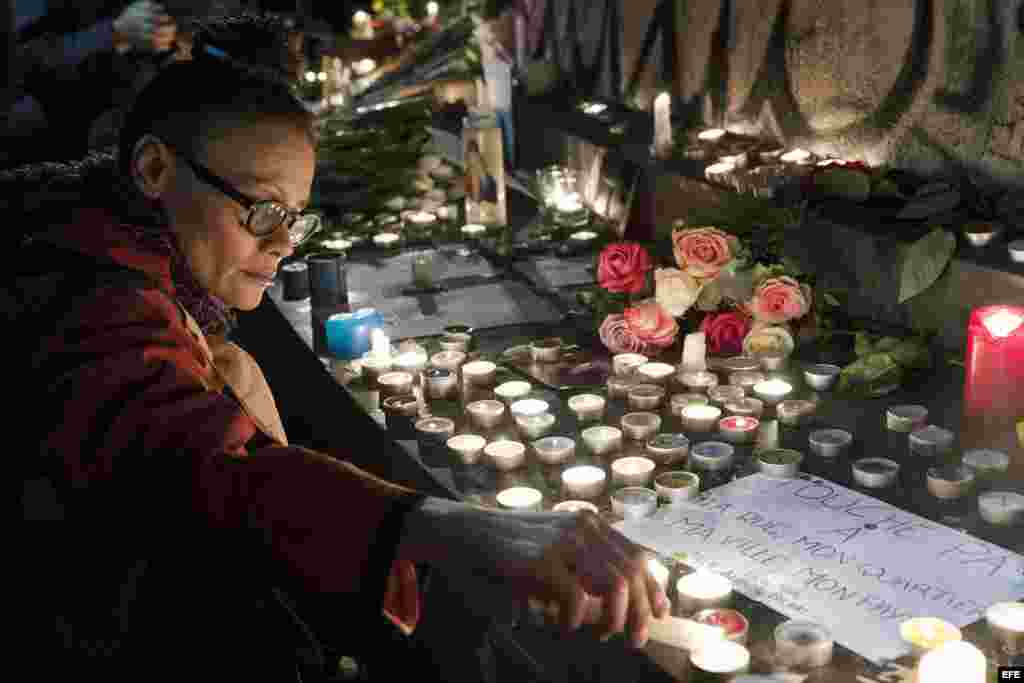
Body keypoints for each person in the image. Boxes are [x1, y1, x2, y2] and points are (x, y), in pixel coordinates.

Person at [12, 11, 666, 681]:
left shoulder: (114, 244)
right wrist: (454, 529)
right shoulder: (92, 297)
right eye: (263, 211)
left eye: (295, 219)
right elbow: (207, 466)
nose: (283, 244)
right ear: (153, 167)